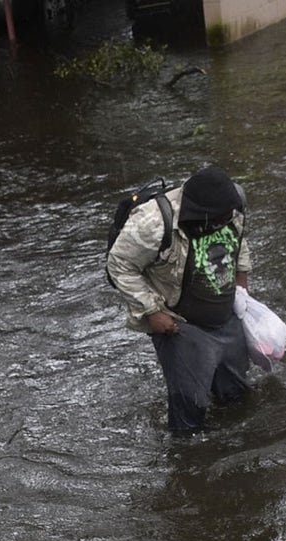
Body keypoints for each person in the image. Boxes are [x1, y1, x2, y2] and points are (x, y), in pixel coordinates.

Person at [105, 165, 254, 436]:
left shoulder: (232, 203)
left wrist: (242, 292)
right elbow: (119, 265)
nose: (225, 221)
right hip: (179, 325)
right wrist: (151, 311)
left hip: (227, 315)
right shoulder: (153, 222)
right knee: (189, 417)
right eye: (217, 220)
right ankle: (188, 465)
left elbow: (240, 242)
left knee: (237, 398)